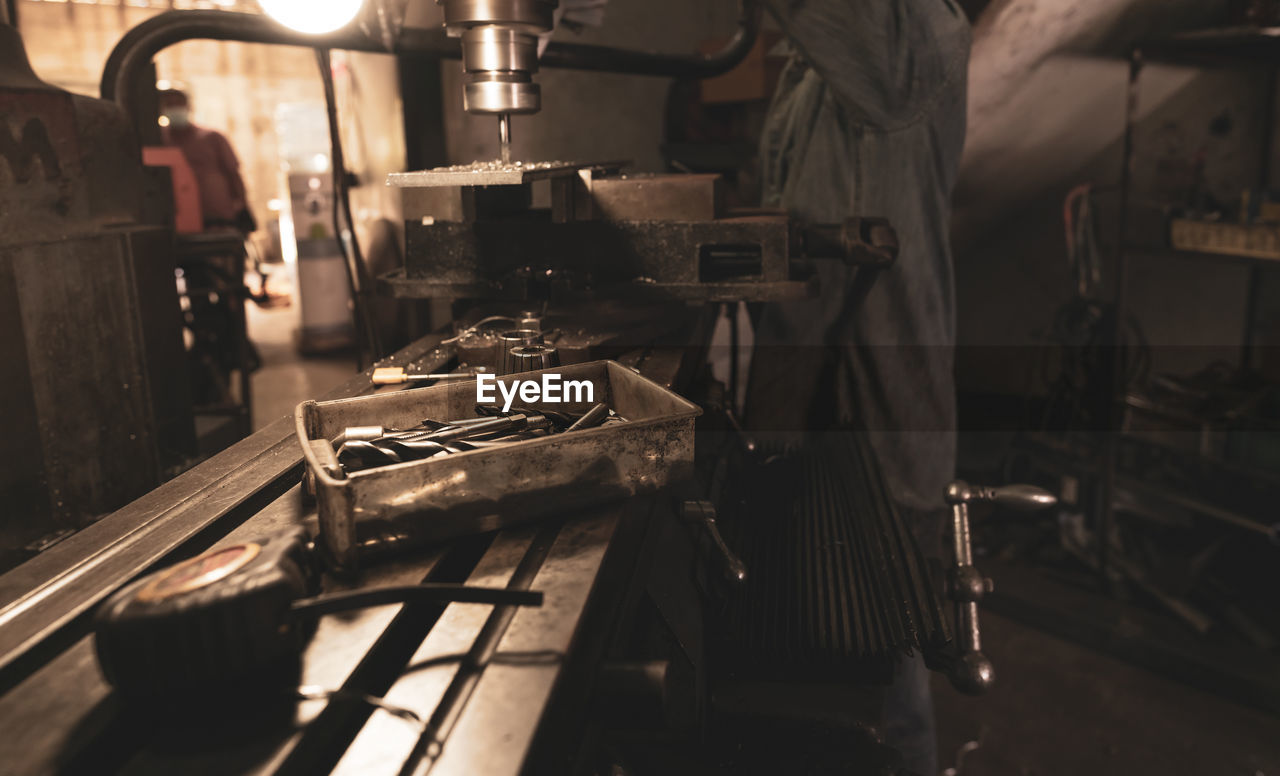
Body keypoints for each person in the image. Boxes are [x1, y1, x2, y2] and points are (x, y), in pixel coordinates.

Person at [745, 2, 972, 774]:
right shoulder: (814, 68)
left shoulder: (911, 38)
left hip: (876, 426)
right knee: (820, 674)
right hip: (805, 411)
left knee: (884, 689)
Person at [158, 88, 257, 236]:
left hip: (217, 218)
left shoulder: (212, 138)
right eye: (169, 104)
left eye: (178, 103)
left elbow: (233, 174)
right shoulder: (159, 142)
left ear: (189, 106)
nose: (175, 108)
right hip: (178, 221)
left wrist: (241, 205)